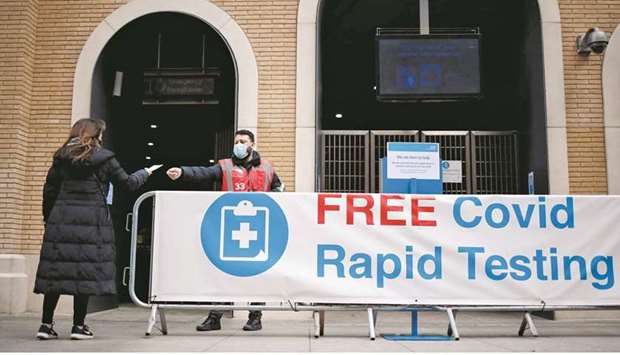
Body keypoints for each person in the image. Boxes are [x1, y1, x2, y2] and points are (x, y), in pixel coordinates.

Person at [34, 118, 161, 340]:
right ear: (96, 135)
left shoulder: (61, 157)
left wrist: (48, 219)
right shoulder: (105, 159)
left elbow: (50, 191)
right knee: (84, 272)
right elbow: (128, 183)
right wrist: (146, 172)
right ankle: (78, 327)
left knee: (55, 272)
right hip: (92, 222)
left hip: (61, 220)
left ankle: (45, 326)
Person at [166, 129, 283, 332]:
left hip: (259, 231)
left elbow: (280, 191)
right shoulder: (225, 166)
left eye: (243, 141)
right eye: (236, 141)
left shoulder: (268, 168)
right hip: (229, 230)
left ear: (252, 144)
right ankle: (215, 317)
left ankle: (255, 317)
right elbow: (203, 173)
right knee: (224, 274)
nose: (238, 144)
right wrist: (183, 172)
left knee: (256, 275)